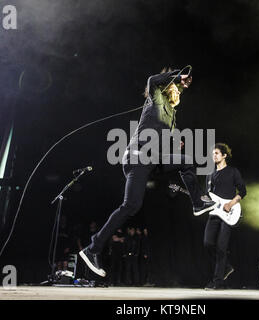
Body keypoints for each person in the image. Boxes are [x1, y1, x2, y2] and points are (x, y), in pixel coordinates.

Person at [79, 67, 216, 277]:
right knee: (131, 206)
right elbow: (152, 79)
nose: (180, 92)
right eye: (177, 88)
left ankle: (198, 203)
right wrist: (178, 76)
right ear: (168, 87)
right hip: (138, 157)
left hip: (153, 160)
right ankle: (93, 248)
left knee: (187, 162)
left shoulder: (171, 114)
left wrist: (175, 140)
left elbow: (165, 133)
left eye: (181, 90)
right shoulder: (156, 98)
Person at [203, 143, 246, 290]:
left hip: (228, 213)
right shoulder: (210, 174)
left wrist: (231, 203)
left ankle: (217, 281)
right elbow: (208, 196)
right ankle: (226, 267)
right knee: (208, 243)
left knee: (221, 247)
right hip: (214, 212)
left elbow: (243, 191)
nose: (213, 155)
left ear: (224, 155)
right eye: (212, 153)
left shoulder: (233, 172)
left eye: (216, 153)